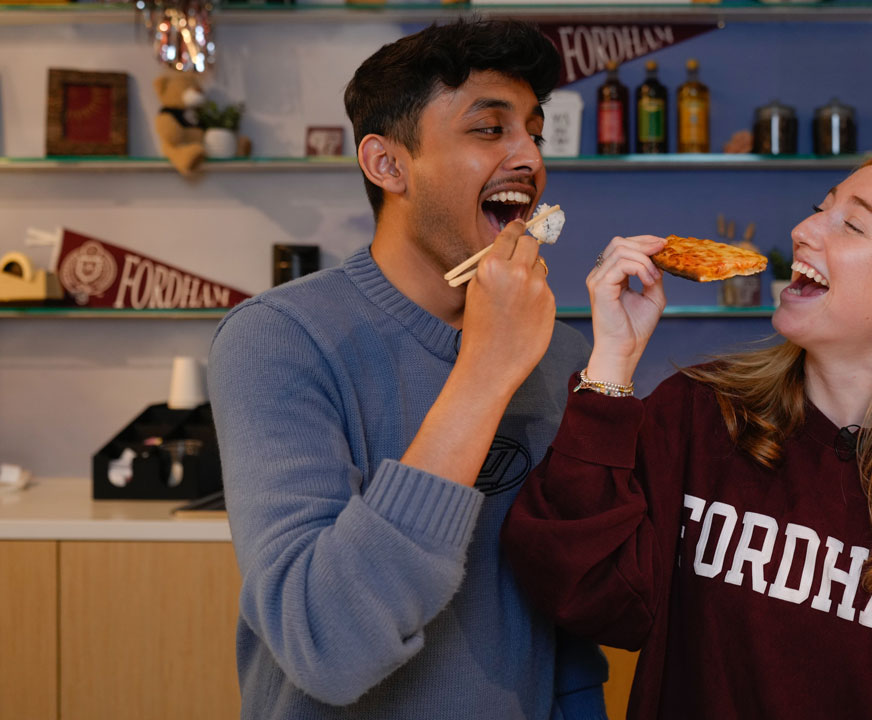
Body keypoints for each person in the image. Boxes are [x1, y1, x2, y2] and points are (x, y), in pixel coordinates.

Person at [502, 152, 872, 719]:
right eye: (821, 207)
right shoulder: (700, 413)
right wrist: (612, 361)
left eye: (852, 226)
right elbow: (583, 593)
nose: (802, 229)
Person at [207, 18, 607, 719]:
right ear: (388, 165)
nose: (528, 159)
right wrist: (486, 371)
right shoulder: (278, 339)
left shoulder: (561, 353)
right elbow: (325, 644)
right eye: (490, 129)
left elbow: (563, 632)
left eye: (534, 134)